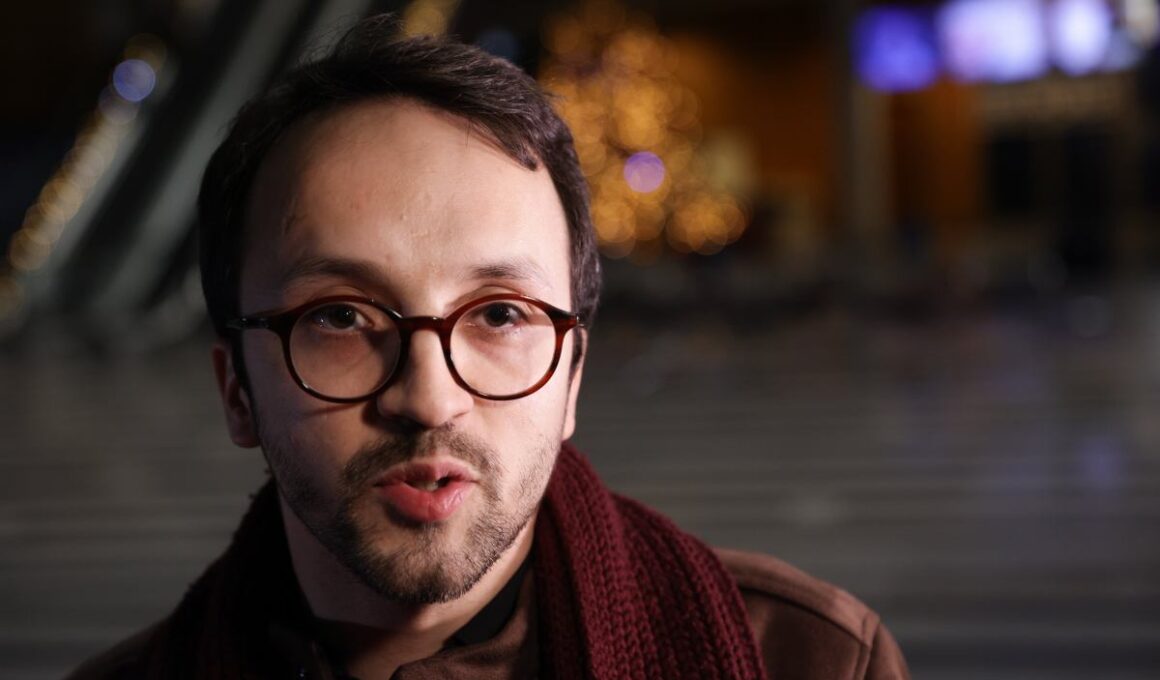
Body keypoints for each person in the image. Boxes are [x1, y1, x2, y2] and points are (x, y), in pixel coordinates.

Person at [68, 14, 909, 680]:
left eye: (501, 314)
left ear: (572, 376)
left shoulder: (813, 660)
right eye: (341, 318)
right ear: (236, 390)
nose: (429, 399)